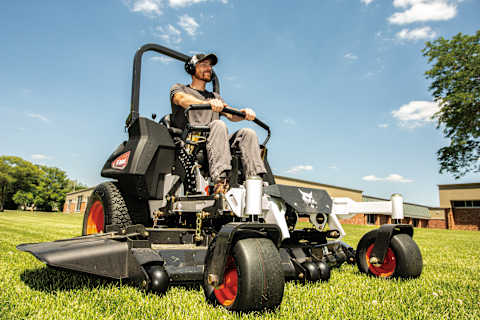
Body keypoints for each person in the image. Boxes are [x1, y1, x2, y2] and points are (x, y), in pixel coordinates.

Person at [170, 53, 266, 194]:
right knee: (218, 125)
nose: (209, 68)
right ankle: (221, 183)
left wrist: (244, 113)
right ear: (191, 68)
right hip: (191, 143)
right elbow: (182, 99)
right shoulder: (180, 88)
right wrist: (206, 103)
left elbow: (230, 114)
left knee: (248, 133)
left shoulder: (214, 96)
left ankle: (256, 184)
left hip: (216, 141)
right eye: (203, 65)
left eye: (210, 66)